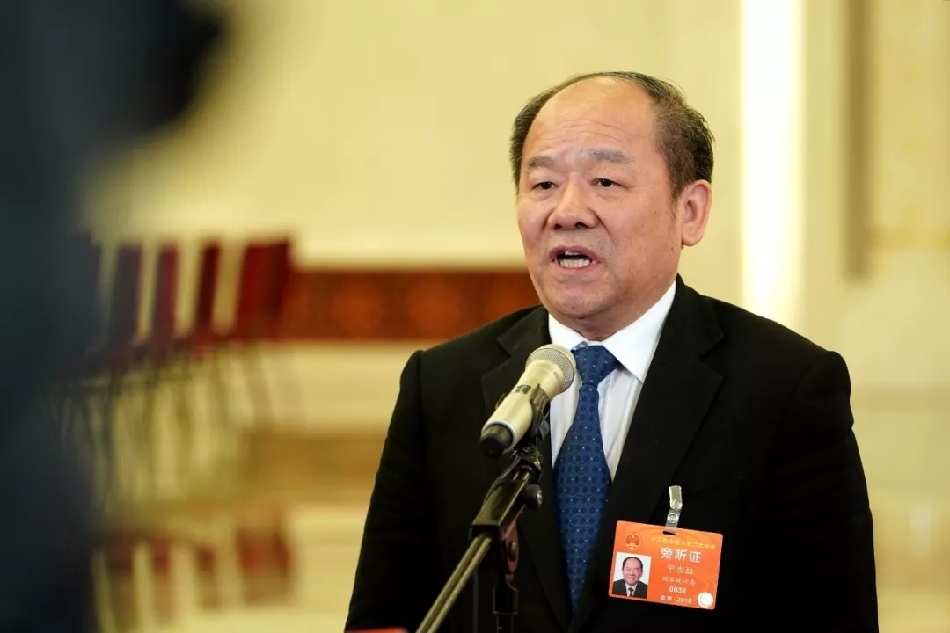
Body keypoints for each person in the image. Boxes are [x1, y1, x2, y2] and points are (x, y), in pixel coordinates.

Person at [345, 71, 878, 632]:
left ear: (690, 211)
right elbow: (384, 618)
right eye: (543, 184)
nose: (567, 211)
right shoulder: (441, 384)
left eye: (605, 181)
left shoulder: (784, 388)